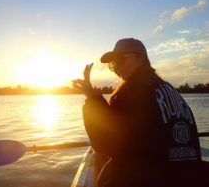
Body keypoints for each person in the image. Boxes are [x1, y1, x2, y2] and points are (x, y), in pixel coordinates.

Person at [73, 38, 206, 187]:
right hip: (188, 177)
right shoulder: (168, 90)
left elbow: (107, 143)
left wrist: (92, 99)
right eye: (112, 63)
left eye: (119, 59)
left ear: (140, 58)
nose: (116, 66)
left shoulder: (134, 91)